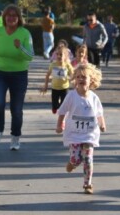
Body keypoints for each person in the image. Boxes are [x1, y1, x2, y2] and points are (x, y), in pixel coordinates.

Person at [0, 4, 34, 150]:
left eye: (14, 16)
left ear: (19, 18)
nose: (11, 18)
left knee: (16, 109)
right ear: (4, 17)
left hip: (19, 75)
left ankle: (15, 137)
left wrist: (21, 47)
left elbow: (30, 56)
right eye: (8, 15)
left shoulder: (24, 33)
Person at [55, 63, 106, 194]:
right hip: (74, 134)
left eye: (84, 77)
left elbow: (99, 113)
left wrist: (102, 124)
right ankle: (72, 163)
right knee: (76, 159)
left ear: (91, 80)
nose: (81, 79)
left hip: (89, 134)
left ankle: (87, 184)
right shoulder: (71, 96)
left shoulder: (94, 98)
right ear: (75, 80)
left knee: (88, 159)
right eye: (78, 77)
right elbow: (62, 111)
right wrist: (59, 125)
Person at [40, 46, 74, 114]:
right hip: (55, 87)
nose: (58, 56)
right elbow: (47, 75)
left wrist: (69, 78)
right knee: (55, 104)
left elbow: (73, 75)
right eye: (57, 54)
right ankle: (55, 107)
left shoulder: (67, 65)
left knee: (63, 104)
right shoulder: (53, 65)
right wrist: (45, 86)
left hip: (64, 87)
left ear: (65, 56)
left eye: (61, 54)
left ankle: (62, 116)